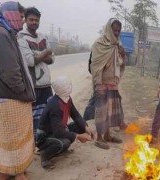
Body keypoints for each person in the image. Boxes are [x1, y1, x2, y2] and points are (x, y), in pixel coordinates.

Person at [0, 2, 35, 179]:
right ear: (10, 15)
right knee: (13, 141)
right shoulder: (1, 34)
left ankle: (7, 173)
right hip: (9, 98)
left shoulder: (3, 31)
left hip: (5, 97)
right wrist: (22, 91)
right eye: (20, 17)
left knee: (7, 141)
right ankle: (17, 174)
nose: (22, 21)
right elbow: (10, 72)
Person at [36, 76, 94, 168]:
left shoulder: (67, 98)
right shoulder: (55, 105)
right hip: (44, 137)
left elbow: (75, 114)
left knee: (80, 126)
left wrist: (85, 127)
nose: (70, 86)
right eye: (68, 85)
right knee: (65, 142)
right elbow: (58, 132)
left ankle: (61, 149)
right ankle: (45, 156)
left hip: (57, 130)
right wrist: (78, 136)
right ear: (64, 88)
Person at [18, 7, 54, 142]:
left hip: (46, 85)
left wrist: (38, 55)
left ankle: (47, 143)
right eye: (31, 20)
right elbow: (30, 61)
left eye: (36, 20)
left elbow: (52, 59)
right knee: (35, 118)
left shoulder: (43, 37)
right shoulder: (21, 38)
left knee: (48, 115)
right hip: (34, 86)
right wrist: (45, 53)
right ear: (25, 20)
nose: (34, 22)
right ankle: (37, 144)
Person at [91, 18, 126, 149]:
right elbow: (96, 67)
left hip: (112, 83)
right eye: (114, 30)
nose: (116, 33)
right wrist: (98, 85)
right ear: (108, 29)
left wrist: (123, 54)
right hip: (102, 84)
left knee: (110, 112)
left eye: (118, 30)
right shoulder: (99, 44)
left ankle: (107, 135)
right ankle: (98, 138)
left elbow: (120, 63)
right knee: (101, 111)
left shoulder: (117, 44)